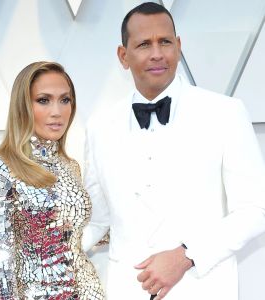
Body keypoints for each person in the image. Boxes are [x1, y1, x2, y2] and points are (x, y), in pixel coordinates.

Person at [82, 2, 265, 300]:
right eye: (143, 44)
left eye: (165, 41)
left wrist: (186, 255)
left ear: (178, 46)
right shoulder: (99, 127)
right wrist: (51, 248)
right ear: (123, 56)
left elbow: (255, 209)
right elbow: (99, 219)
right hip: (127, 292)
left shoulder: (225, 113)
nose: (157, 53)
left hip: (204, 288)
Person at [0, 61, 105, 300]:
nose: (57, 111)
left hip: (90, 292)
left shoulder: (71, 166)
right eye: (44, 100)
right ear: (23, 105)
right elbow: (0, 257)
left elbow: (78, 235)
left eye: (65, 100)